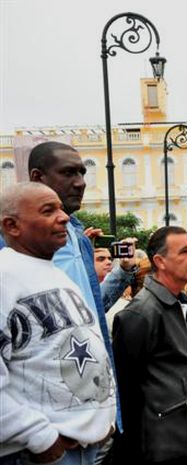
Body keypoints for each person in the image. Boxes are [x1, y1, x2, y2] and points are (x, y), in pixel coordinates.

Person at [0, 183, 116, 464]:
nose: (63, 217)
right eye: (48, 210)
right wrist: (41, 439)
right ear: (12, 225)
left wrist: (104, 423)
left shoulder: (56, 274)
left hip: (85, 448)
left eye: (61, 209)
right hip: (40, 454)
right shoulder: (4, 276)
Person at [112, 226, 187, 464]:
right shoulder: (141, 314)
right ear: (160, 261)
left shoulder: (181, 303)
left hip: (186, 442)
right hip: (160, 449)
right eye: (184, 252)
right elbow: (127, 391)